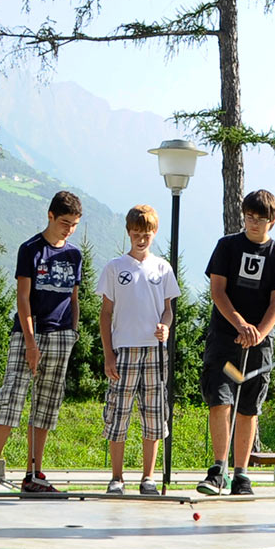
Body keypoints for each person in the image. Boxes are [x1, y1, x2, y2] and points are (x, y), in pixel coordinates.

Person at [0, 191, 84, 495]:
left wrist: (73, 331)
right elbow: (23, 298)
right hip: (29, 334)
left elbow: (74, 298)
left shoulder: (74, 255)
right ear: (50, 216)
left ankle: (34, 474)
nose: (69, 229)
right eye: (64, 223)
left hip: (61, 336)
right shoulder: (30, 249)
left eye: (74, 224)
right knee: (11, 398)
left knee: (46, 405)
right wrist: (31, 343)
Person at [195, 190, 275, 496]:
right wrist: (240, 324)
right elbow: (218, 291)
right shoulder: (227, 246)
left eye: (260, 219)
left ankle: (241, 474)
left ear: (272, 221)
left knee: (248, 407)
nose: (253, 223)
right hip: (225, 342)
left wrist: (259, 333)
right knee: (220, 399)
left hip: (257, 347)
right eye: (249, 217)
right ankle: (218, 471)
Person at [99, 205, 179, 495]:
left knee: (154, 413)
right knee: (118, 412)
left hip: (155, 351)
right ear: (128, 233)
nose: (141, 239)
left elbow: (168, 310)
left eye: (146, 234)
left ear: (154, 233)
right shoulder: (115, 267)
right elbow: (105, 313)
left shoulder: (162, 267)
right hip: (124, 349)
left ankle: (148, 477)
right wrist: (109, 354)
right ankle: (117, 478)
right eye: (136, 234)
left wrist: (165, 327)